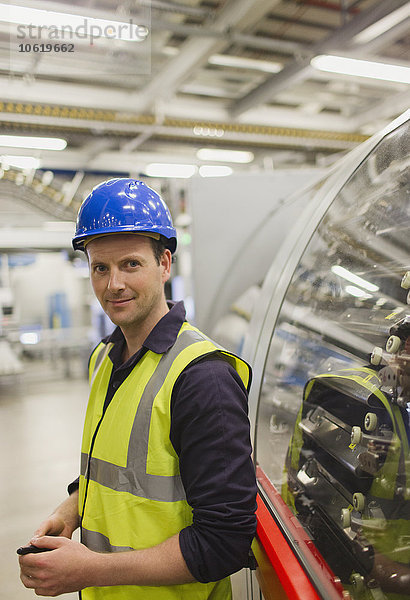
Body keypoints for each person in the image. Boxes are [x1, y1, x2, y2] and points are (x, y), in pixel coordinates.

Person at [19, 178, 257, 599]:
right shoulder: (104, 357)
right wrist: (71, 509)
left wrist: (92, 569)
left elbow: (224, 544)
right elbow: (119, 468)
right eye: (100, 268)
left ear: (165, 264)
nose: (114, 285)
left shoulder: (202, 377)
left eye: (130, 264)